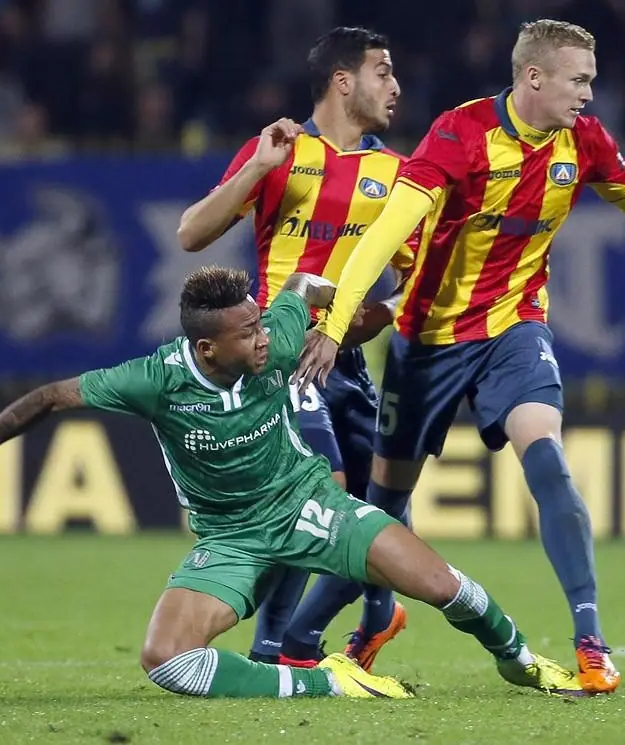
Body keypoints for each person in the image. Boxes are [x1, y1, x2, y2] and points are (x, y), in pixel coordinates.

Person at [294, 19, 625, 695]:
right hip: (428, 339)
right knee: (383, 504)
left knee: (547, 458)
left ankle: (591, 641)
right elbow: (385, 233)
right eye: (578, 80)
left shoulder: (583, 139)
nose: (588, 94)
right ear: (533, 77)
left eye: (591, 80)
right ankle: (351, 626)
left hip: (515, 326)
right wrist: (332, 325)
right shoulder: (460, 133)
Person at [0, 266, 583, 700]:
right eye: (247, 332)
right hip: (230, 537)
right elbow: (51, 395)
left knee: (442, 585)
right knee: (166, 660)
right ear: (206, 348)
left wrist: (339, 309)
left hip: (308, 504)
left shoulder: (276, 335)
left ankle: (521, 659)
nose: (263, 340)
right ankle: (327, 685)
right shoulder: (155, 379)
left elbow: (303, 287)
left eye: (260, 323)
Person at [177, 26, 415, 671]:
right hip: (281, 354)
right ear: (343, 80)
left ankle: (374, 617)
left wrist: (380, 313)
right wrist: (257, 167)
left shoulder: (398, 175)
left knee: (383, 507)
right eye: (383, 72)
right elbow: (191, 233)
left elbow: (422, 282)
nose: (395, 86)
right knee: (318, 490)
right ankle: (279, 648)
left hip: (347, 360)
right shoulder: (282, 151)